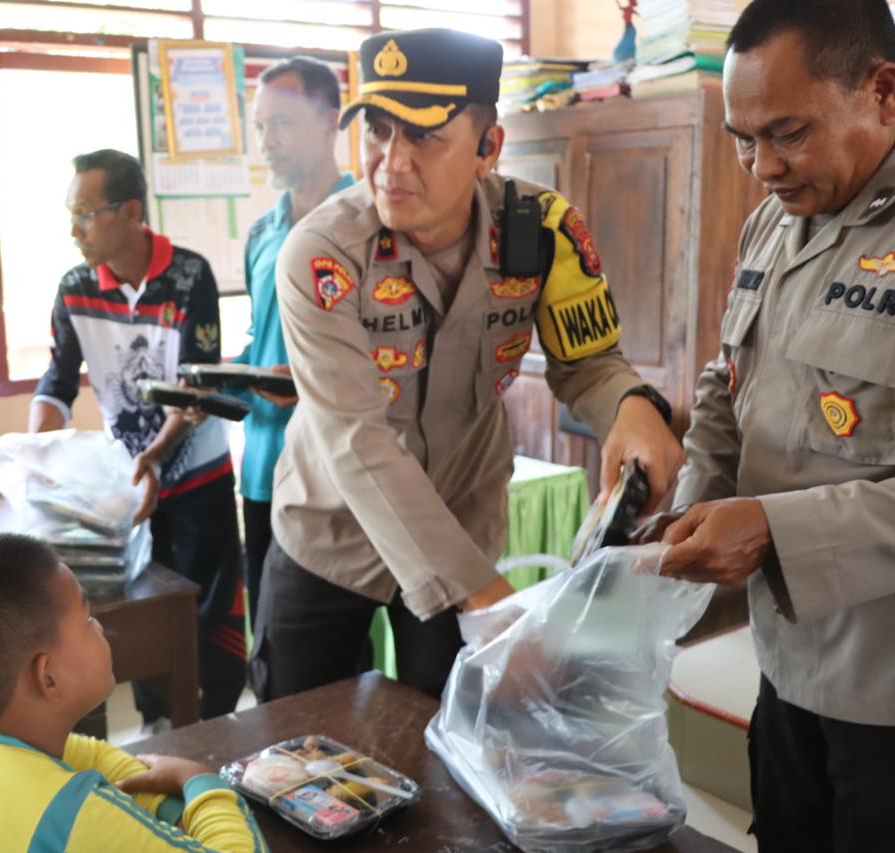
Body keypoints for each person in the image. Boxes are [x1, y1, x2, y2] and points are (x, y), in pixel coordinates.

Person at [251, 28, 683, 703]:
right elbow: (355, 439)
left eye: (422, 136)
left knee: (449, 737)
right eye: (378, 132)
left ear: (489, 147)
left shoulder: (544, 232)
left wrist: (631, 406)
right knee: (300, 748)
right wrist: (492, 602)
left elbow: (591, 363)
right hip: (328, 533)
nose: (390, 164)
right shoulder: (322, 256)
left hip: (459, 520)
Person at [638, 1, 895, 848]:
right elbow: (729, 380)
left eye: (786, 133)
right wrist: (695, 500)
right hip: (785, 664)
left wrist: (773, 529)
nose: (761, 167)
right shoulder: (774, 223)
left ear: (883, 93)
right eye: (741, 138)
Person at [0, 533, 267, 852]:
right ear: (48, 678)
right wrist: (200, 781)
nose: (103, 628)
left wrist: (162, 797)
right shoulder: (61, 815)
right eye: (89, 618)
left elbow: (93, 760)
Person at [29, 149, 246, 725]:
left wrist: (153, 458)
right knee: (145, 619)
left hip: (197, 480)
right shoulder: (75, 287)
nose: (75, 229)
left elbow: (193, 384)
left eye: (85, 213)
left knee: (211, 615)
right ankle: (158, 730)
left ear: (129, 212)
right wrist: (34, 454)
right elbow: (57, 380)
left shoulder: (189, 275)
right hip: (125, 492)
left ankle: (221, 730)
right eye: (70, 214)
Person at [235, 56, 354, 626]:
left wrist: (310, 388)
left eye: (281, 122)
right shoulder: (263, 232)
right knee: (275, 643)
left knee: (344, 656)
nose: (267, 141)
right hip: (262, 468)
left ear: (331, 123)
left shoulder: (370, 225)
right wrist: (216, 381)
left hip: (339, 477)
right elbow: (261, 342)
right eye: (259, 126)